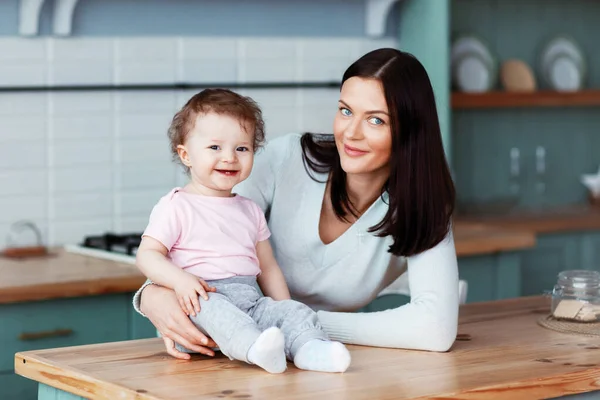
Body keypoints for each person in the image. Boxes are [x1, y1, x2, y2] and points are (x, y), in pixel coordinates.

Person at [133, 47, 459, 360]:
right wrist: (151, 295)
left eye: (376, 120)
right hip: (225, 353)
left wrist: (297, 324)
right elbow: (208, 234)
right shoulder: (287, 159)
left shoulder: (423, 205)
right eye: (345, 111)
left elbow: (435, 329)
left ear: (410, 130)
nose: (351, 133)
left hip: (308, 353)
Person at [135, 88, 350, 374]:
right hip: (200, 304)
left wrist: (283, 311)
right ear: (186, 155)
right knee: (215, 307)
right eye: (215, 147)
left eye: (242, 148)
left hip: (250, 302)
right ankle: (255, 349)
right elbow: (147, 256)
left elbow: (268, 268)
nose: (230, 157)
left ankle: (310, 350)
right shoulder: (176, 205)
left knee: (296, 311)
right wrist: (181, 281)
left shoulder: (250, 210)